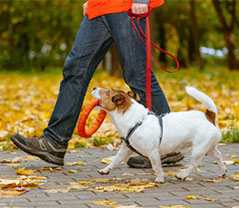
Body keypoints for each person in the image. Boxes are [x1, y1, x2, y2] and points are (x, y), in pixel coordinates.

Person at [11, 0, 184, 168]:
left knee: (138, 76)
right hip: (99, 7)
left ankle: (166, 146)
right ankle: (54, 142)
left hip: (126, 6)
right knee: (75, 69)